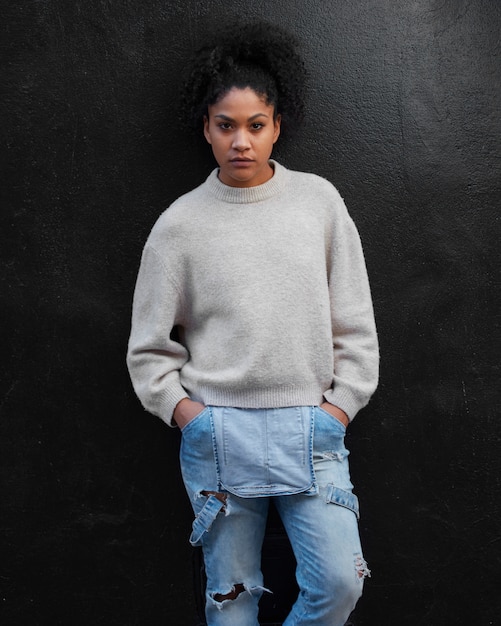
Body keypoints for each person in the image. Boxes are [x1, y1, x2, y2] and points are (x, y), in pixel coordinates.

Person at [127, 21, 379, 626]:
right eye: (226, 125)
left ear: (277, 125)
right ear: (206, 128)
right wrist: (189, 416)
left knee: (340, 583)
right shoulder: (179, 225)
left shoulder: (319, 203)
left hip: (311, 431)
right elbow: (148, 351)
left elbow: (356, 325)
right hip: (219, 435)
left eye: (255, 125)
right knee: (233, 599)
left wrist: (339, 408)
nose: (241, 141)